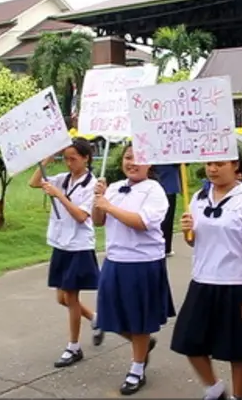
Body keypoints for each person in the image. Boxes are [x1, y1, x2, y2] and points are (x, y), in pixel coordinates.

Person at [171, 151, 242, 400]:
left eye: (219, 163)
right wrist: (188, 232)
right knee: (188, 341)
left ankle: (237, 396)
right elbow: (194, 242)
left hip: (236, 283)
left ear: (235, 165)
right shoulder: (198, 197)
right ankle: (214, 388)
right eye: (209, 163)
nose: (212, 169)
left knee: (239, 351)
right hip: (202, 281)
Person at [92, 143, 176, 395]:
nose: (132, 163)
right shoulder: (114, 187)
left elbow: (140, 222)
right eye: (128, 157)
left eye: (139, 158)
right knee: (108, 315)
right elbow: (98, 221)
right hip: (114, 260)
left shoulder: (155, 190)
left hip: (143, 263)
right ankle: (143, 345)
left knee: (139, 320)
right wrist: (98, 200)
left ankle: (137, 369)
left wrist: (109, 206)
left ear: (150, 164)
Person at [29, 139, 104, 367]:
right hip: (61, 243)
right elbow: (34, 183)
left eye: (73, 159)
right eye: (65, 158)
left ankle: (73, 347)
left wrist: (59, 196)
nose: (69, 163)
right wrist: (47, 159)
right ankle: (95, 318)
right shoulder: (63, 178)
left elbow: (81, 216)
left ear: (86, 158)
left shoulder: (92, 185)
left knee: (71, 297)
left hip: (78, 246)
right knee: (61, 298)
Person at [153, 164, 181, 257]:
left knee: (160, 218)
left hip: (160, 183)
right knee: (167, 218)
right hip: (167, 185)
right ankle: (165, 247)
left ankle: (163, 247)